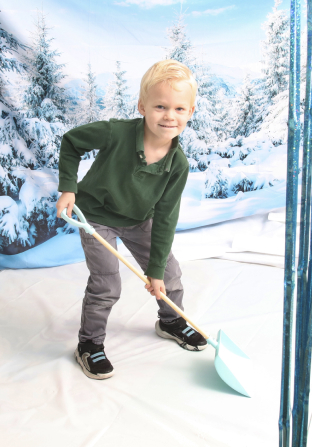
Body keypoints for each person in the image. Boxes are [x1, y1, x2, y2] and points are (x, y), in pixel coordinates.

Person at [56, 59, 207, 380]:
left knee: (170, 273)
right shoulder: (116, 133)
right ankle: (89, 344)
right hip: (96, 217)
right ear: (142, 106)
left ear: (190, 112)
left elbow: (166, 216)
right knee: (107, 284)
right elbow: (71, 142)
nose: (170, 116)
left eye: (179, 109)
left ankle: (170, 321)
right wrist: (68, 187)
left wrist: (154, 271)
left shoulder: (177, 163)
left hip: (140, 220)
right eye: (160, 106)